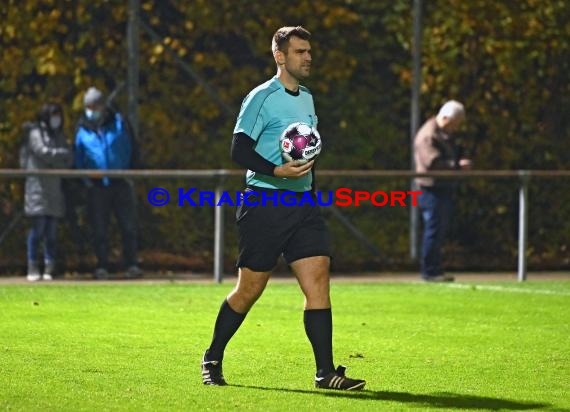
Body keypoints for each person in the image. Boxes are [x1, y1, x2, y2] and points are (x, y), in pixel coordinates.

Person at [201, 26, 366, 391]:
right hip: (264, 202)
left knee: (318, 281)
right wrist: (276, 170)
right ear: (280, 56)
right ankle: (212, 357)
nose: (308, 57)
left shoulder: (306, 98)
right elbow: (238, 150)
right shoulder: (261, 97)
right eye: (300, 51)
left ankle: (326, 373)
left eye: (309, 51)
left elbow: (305, 150)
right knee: (250, 289)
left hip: (303, 203)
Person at [74, 87, 142, 280]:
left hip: (120, 182)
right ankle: (102, 265)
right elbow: (79, 157)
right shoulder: (82, 129)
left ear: (102, 105)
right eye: (88, 106)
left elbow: (132, 147)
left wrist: (131, 171)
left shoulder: (120, 123)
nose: (91, 109)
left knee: (128, 226)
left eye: (94, 105)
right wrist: (85, 180)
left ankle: (131, 264)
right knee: (99, 228)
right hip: (97, 186)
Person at [413, 100, 472, 282]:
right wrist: (457, 166)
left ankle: (434, 269)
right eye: (455, 124)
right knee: (434, 229)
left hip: (439, 188)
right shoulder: (428, 135)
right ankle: (429, 271)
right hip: (430, 189)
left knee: (437, 229)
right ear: (446, 118)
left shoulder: (441, 133)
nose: (456, 128)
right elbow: (433, 163)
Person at [22, 102, 73, 281]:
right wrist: (60, 154)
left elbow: (68, 158)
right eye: (53, 115)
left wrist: (58, 155)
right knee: (38, 230)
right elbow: (43, 152)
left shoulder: (59, 135)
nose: (56, 119)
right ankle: (32, 265)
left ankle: (49, 267)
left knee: (52, 232)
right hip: (37, 189)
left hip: (54, 189)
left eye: (58, 115)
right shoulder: (35, 133)